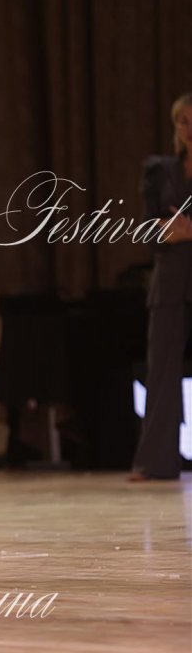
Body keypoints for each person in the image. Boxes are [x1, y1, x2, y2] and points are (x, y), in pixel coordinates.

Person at [129, 92, 192, 481]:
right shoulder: (161, 171)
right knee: (162, 371)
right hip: (170, 280)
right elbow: (145, 228)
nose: (189, 128)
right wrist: (166, 232)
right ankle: (154, 462)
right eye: (183, 121)